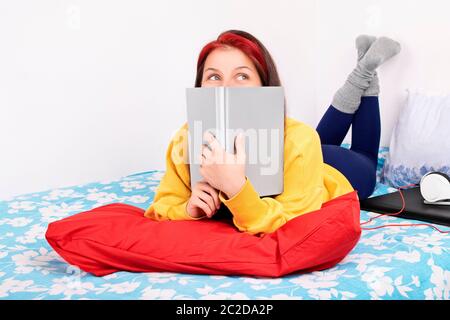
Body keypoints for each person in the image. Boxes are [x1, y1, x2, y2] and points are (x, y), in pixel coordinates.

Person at [144, 30, 401, 236]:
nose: (226, 87)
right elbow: (162, 206)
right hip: (301, 158)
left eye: (242, 76)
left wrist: (236, 189)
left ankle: (365, 70)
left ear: (264, 84)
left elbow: (293, 224)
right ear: (200, 85)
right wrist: (189, 209)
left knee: (366, 159)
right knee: (310, 141)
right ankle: (363, 67)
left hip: (328, 173)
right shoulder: (183, 139)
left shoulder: (299, 140)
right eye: (213, 76)